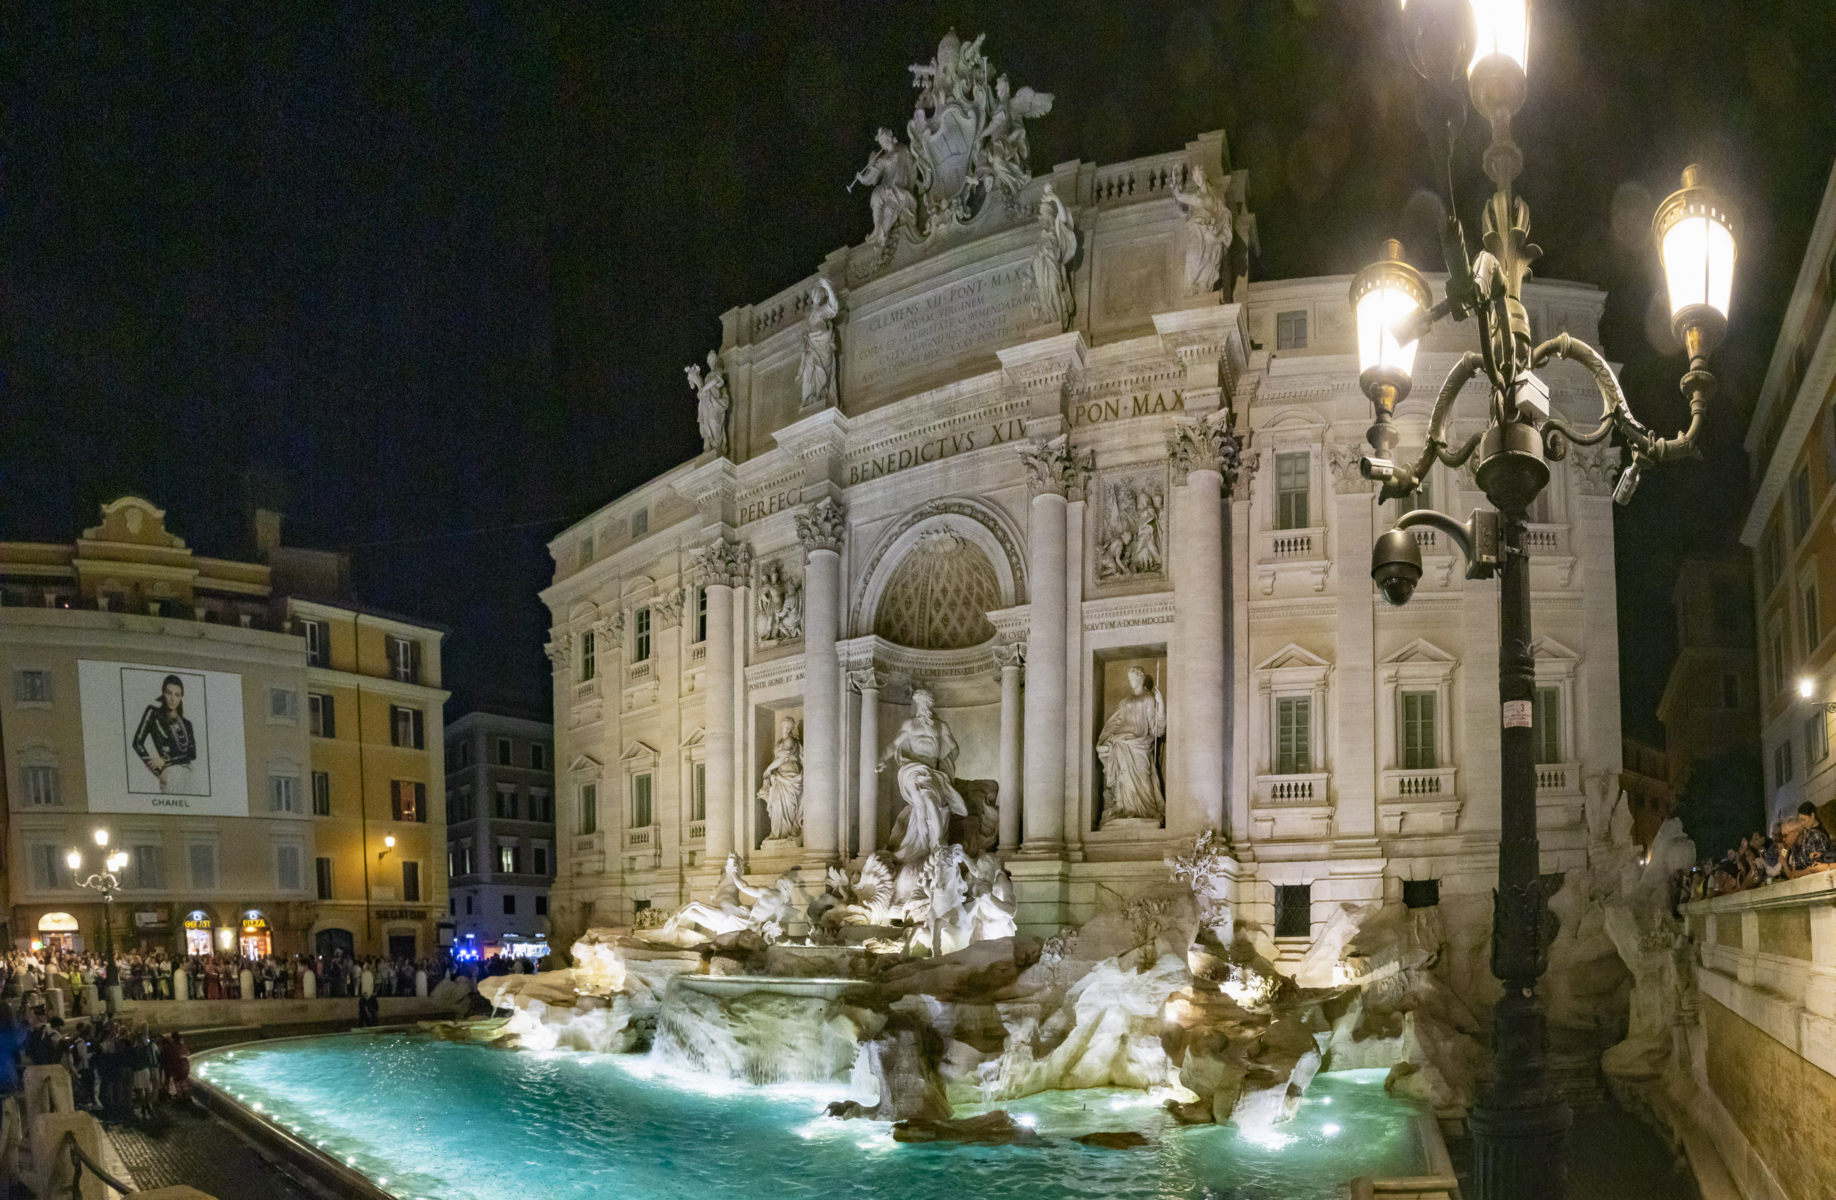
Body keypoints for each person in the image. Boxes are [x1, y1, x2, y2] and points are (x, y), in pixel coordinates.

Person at [131, 674, 202, 794]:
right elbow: (137, 743)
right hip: (170, 775)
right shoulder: (153, 713)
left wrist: (164, 761)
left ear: (181, 697)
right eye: (169, 693)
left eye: (177, 695)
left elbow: (192, 754)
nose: (172, 699)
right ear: (163, 693)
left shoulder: (187, 724)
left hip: (188, 775)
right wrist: (159, 774)